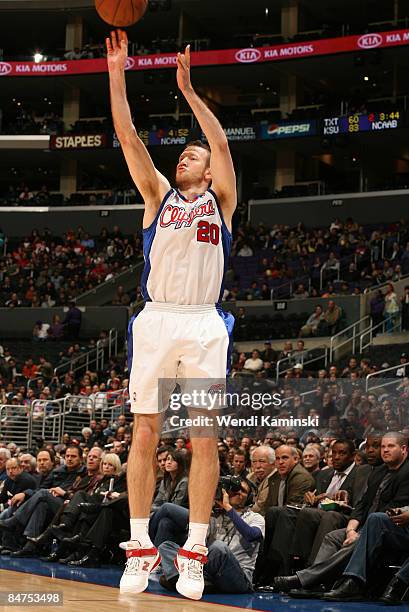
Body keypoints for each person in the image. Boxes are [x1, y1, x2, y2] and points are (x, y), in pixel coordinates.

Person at [106, 29, 236, 600]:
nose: (186, 154)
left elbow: (224, 147)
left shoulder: (221, 199)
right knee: (146, 431)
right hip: (157, 318)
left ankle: (194, 555)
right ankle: (138, 552)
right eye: (183, 152)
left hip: (205, 321)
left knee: (203, 438)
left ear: (207, 172)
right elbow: (128, 136)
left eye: (195, 154)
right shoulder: (158, 196)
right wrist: (117, 74)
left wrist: (188, 90)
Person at [158, 478, 264, 594]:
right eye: (235, 489)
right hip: (209, 570)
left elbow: (252, 535)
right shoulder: (214, 516)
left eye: (243, 491)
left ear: (249, 497)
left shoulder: (255, 518)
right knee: (166, 546)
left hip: (239, 578)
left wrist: (228, 508)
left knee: (218, 547)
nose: (238, 493)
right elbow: (197, 544)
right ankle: (189, 579)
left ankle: (179, 578)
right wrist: (208, 504)